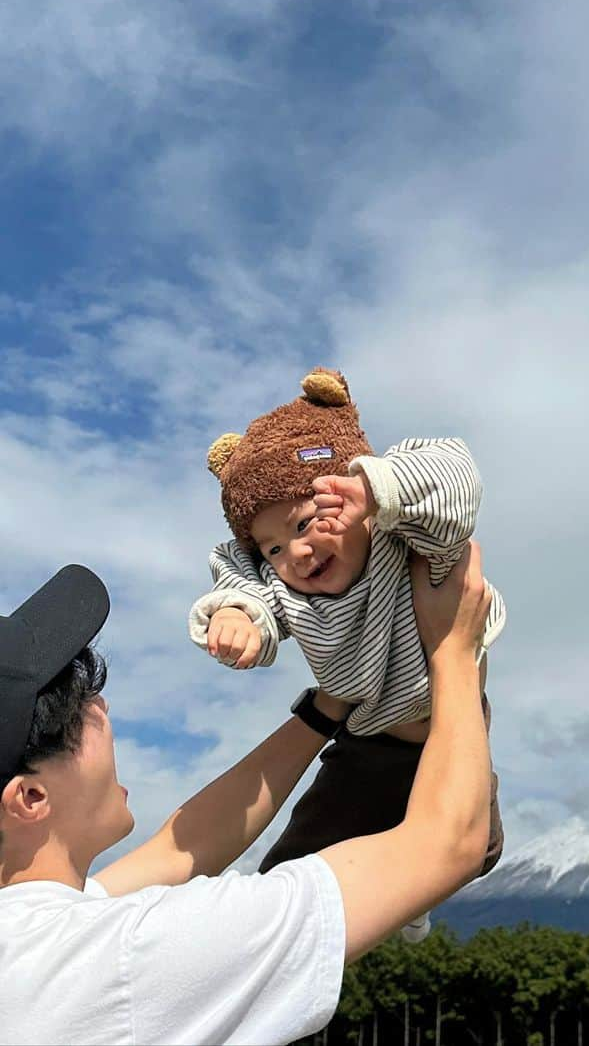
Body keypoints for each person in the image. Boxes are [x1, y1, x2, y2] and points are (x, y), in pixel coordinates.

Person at [0, 546, 494, 1046]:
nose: (102, 706)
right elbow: (447, 846)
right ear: (31, 797)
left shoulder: (36, 947)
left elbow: (181, 849)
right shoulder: (124, 958)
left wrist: (332, 701)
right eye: (79, 710)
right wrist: (453, 651)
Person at [185, 367, 505, 940]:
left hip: (452, 727)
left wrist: (380, 488)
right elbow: (243, 579)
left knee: (472, 844)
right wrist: (237, 616)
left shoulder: (403, 539)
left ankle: (411, 891)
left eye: (307, 523)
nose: (296, 552)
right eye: (274, 546)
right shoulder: (290, 590)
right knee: (298, 857)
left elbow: (455, 477)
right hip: (366, 742)